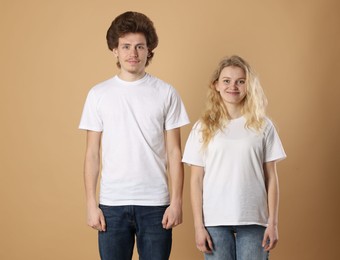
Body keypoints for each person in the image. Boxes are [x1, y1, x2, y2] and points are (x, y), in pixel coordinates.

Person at [79, 11, 190, 260]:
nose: (133, 53)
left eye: (140, 46)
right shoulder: (98, 94)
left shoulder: (166, 93)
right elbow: (92, 153)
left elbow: (175, 152)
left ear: (149, 50)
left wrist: (176, 202)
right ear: (115, 51)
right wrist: (90, 203)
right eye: (126, 46)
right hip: (112, 204)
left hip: (156, 204)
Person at [182, 55, 286, 260]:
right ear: (216, 86)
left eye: (241, 81)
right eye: (226, 81)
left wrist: (272, 223)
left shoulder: (263, 125)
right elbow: (195, 180)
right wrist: (198, 226)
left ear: (249, 86)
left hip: (254, 219)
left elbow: (271, 178)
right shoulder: (202, 127)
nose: (233, 87)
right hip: (214, 220)